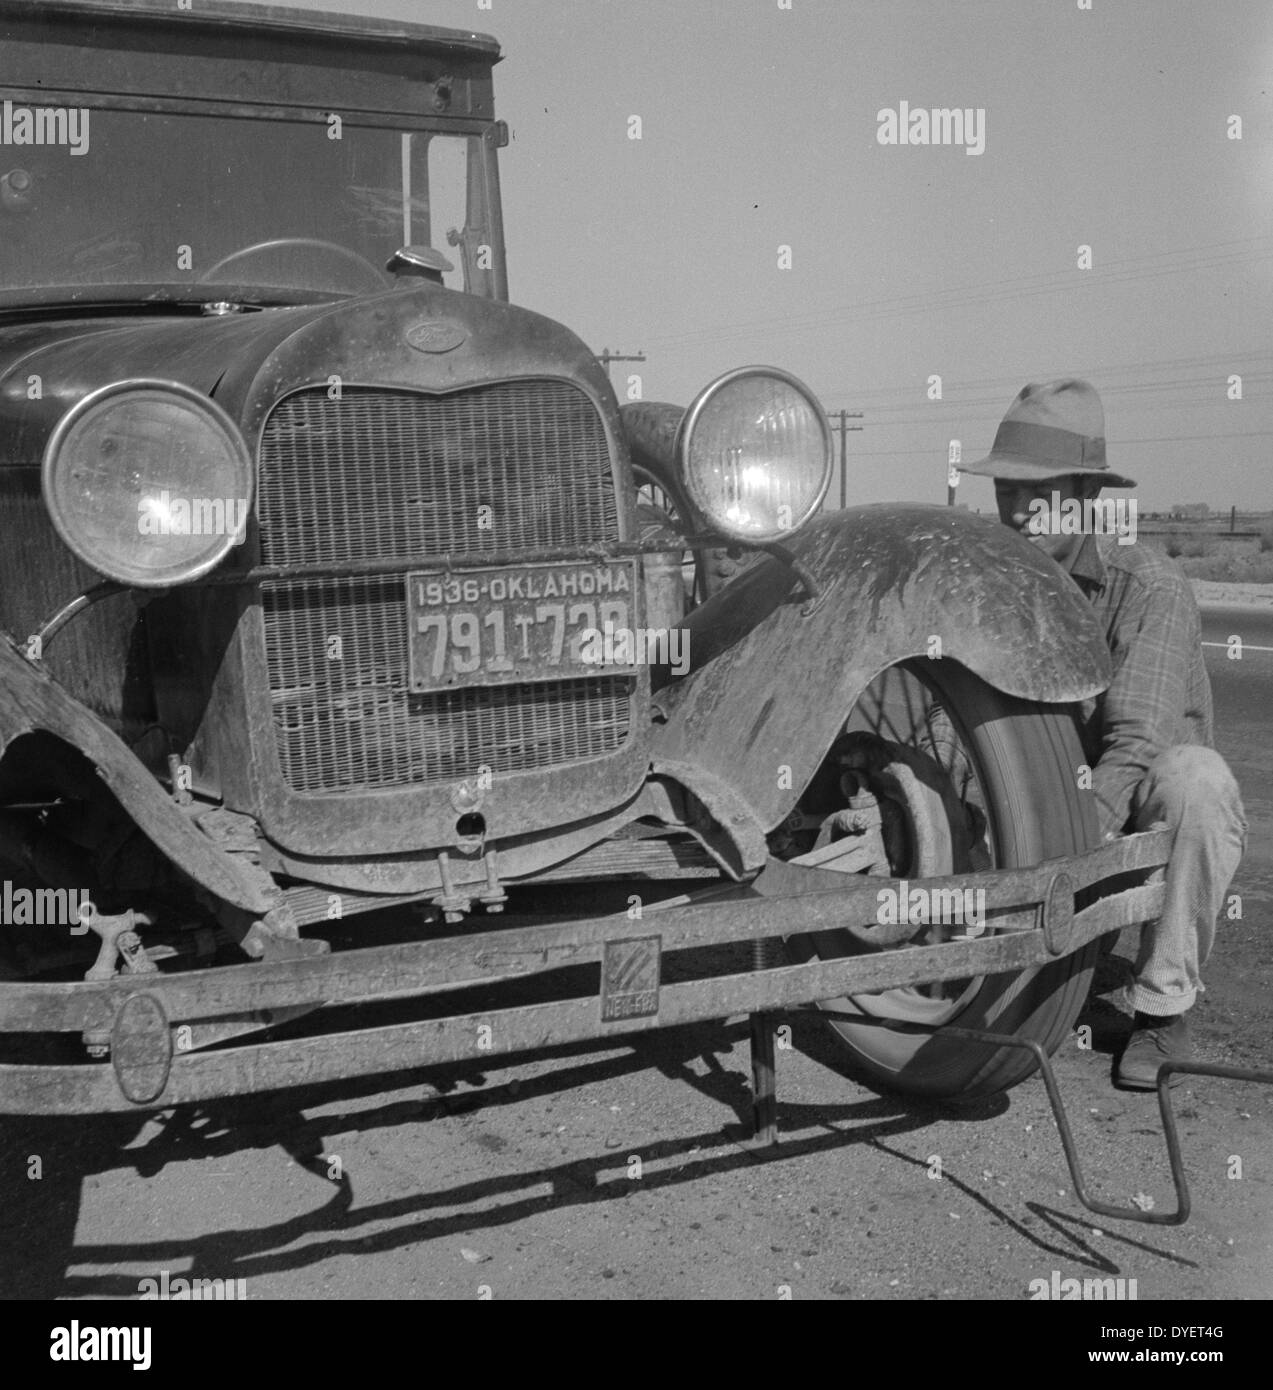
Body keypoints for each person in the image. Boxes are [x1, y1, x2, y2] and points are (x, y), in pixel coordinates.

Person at [960, 379, 1246, 1088]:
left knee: (1195, 780)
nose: (1020, 510)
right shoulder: (998, 592)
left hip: (1128, 816)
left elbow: (1135, 747)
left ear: (1085, 493)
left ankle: (1161, 1005)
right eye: (1005, 492)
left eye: (1041, 490)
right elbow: (953, 724)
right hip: (1043, 809)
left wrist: (1055, 857)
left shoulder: (1146, 586)